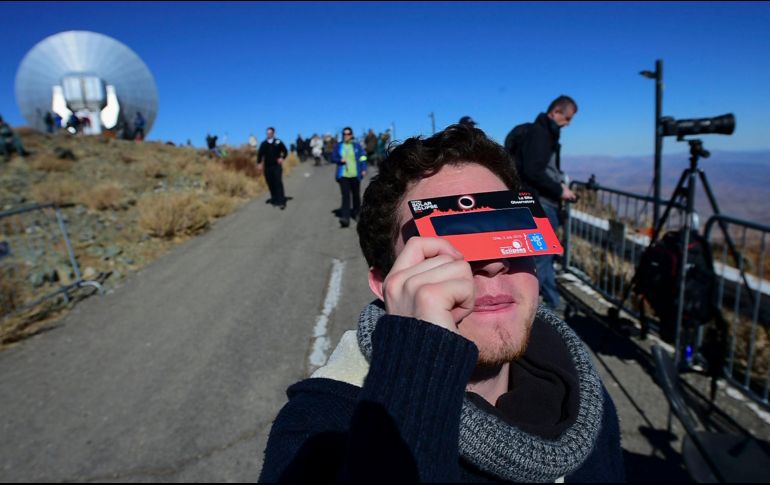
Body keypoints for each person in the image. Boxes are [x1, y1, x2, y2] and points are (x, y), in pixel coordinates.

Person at [259, 124, 624, 482]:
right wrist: (417, 365)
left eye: (507, 227)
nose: (495, 263)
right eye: (449, 241)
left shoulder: (583, 394)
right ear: (383, 283)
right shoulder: (319, 431)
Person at [516, 95, 578, 311]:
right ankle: (545, 307)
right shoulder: (541, 134)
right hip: (542, 203)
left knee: (542, 255)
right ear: (556, 113)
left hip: (537, 201)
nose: (568, 123)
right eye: (567, 118)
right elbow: (534, 171)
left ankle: (547, 302)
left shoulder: (543, 132)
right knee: (542, 257)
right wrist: (559, 189)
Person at [331, 127, 367, 228]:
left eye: (348, 134)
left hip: (355, 174)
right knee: (345, 196)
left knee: (356, 196)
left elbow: (363, 157)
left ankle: (357, 214)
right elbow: (332, 158)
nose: (346, 135)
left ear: (351, 135)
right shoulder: (338, 146)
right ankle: (345, 218)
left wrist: (364, 168)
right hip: (343, 175)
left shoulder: (357, 146)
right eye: (344, 134)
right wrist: (339, 159)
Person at [257, 127, 289, 209]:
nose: (269, 134)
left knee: (278, 182)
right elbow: (260, 155)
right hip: (267, 167)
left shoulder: (278, 142)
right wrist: (259, 163)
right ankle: (274, 200)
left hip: (276, 166)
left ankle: (282, 201)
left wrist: (282, 158)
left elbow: (285, 151)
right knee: (270, 183)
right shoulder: (263, 144)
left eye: (270, 133)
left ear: (273, 133)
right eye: (267, 133)